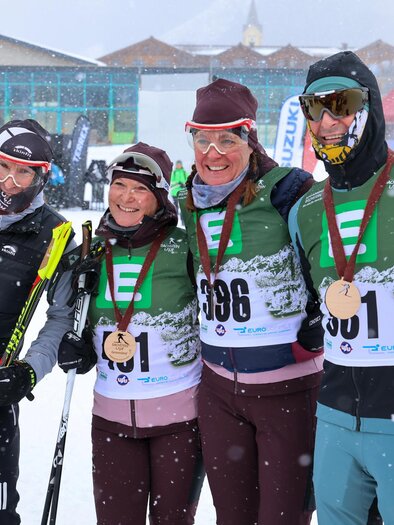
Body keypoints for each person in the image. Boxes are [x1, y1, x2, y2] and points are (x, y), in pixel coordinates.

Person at [178, 77, 324, 525]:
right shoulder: (189, 202)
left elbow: (334, 259)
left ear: (249, 138)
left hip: (287, 388)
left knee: (282, 518)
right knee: (232, 517)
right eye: (202, 139)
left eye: (226, 139)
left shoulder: (288, 191)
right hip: (220, 391)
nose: (213, 152)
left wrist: (317, 319)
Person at [58, 142, 204, 525]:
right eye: (119, 184)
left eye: (140, 188)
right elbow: (73, 322)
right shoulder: (88, 254)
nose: (126, 197)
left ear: (158, 198)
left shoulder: (183, 247)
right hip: (111, 421)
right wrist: (76, 348)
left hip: (180, 420)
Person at [289, 50, 392, 524]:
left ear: (368, 108)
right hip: (334, 413)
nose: (328, 120)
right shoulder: (306, 208)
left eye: (342, 104)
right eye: (315, 107)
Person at [0, 119, 75, 524]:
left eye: (23, 171)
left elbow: (61, 317)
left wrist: (29, 372)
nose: (10, 181)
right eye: (2, 166)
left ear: (41, 176)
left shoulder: (55, 234)